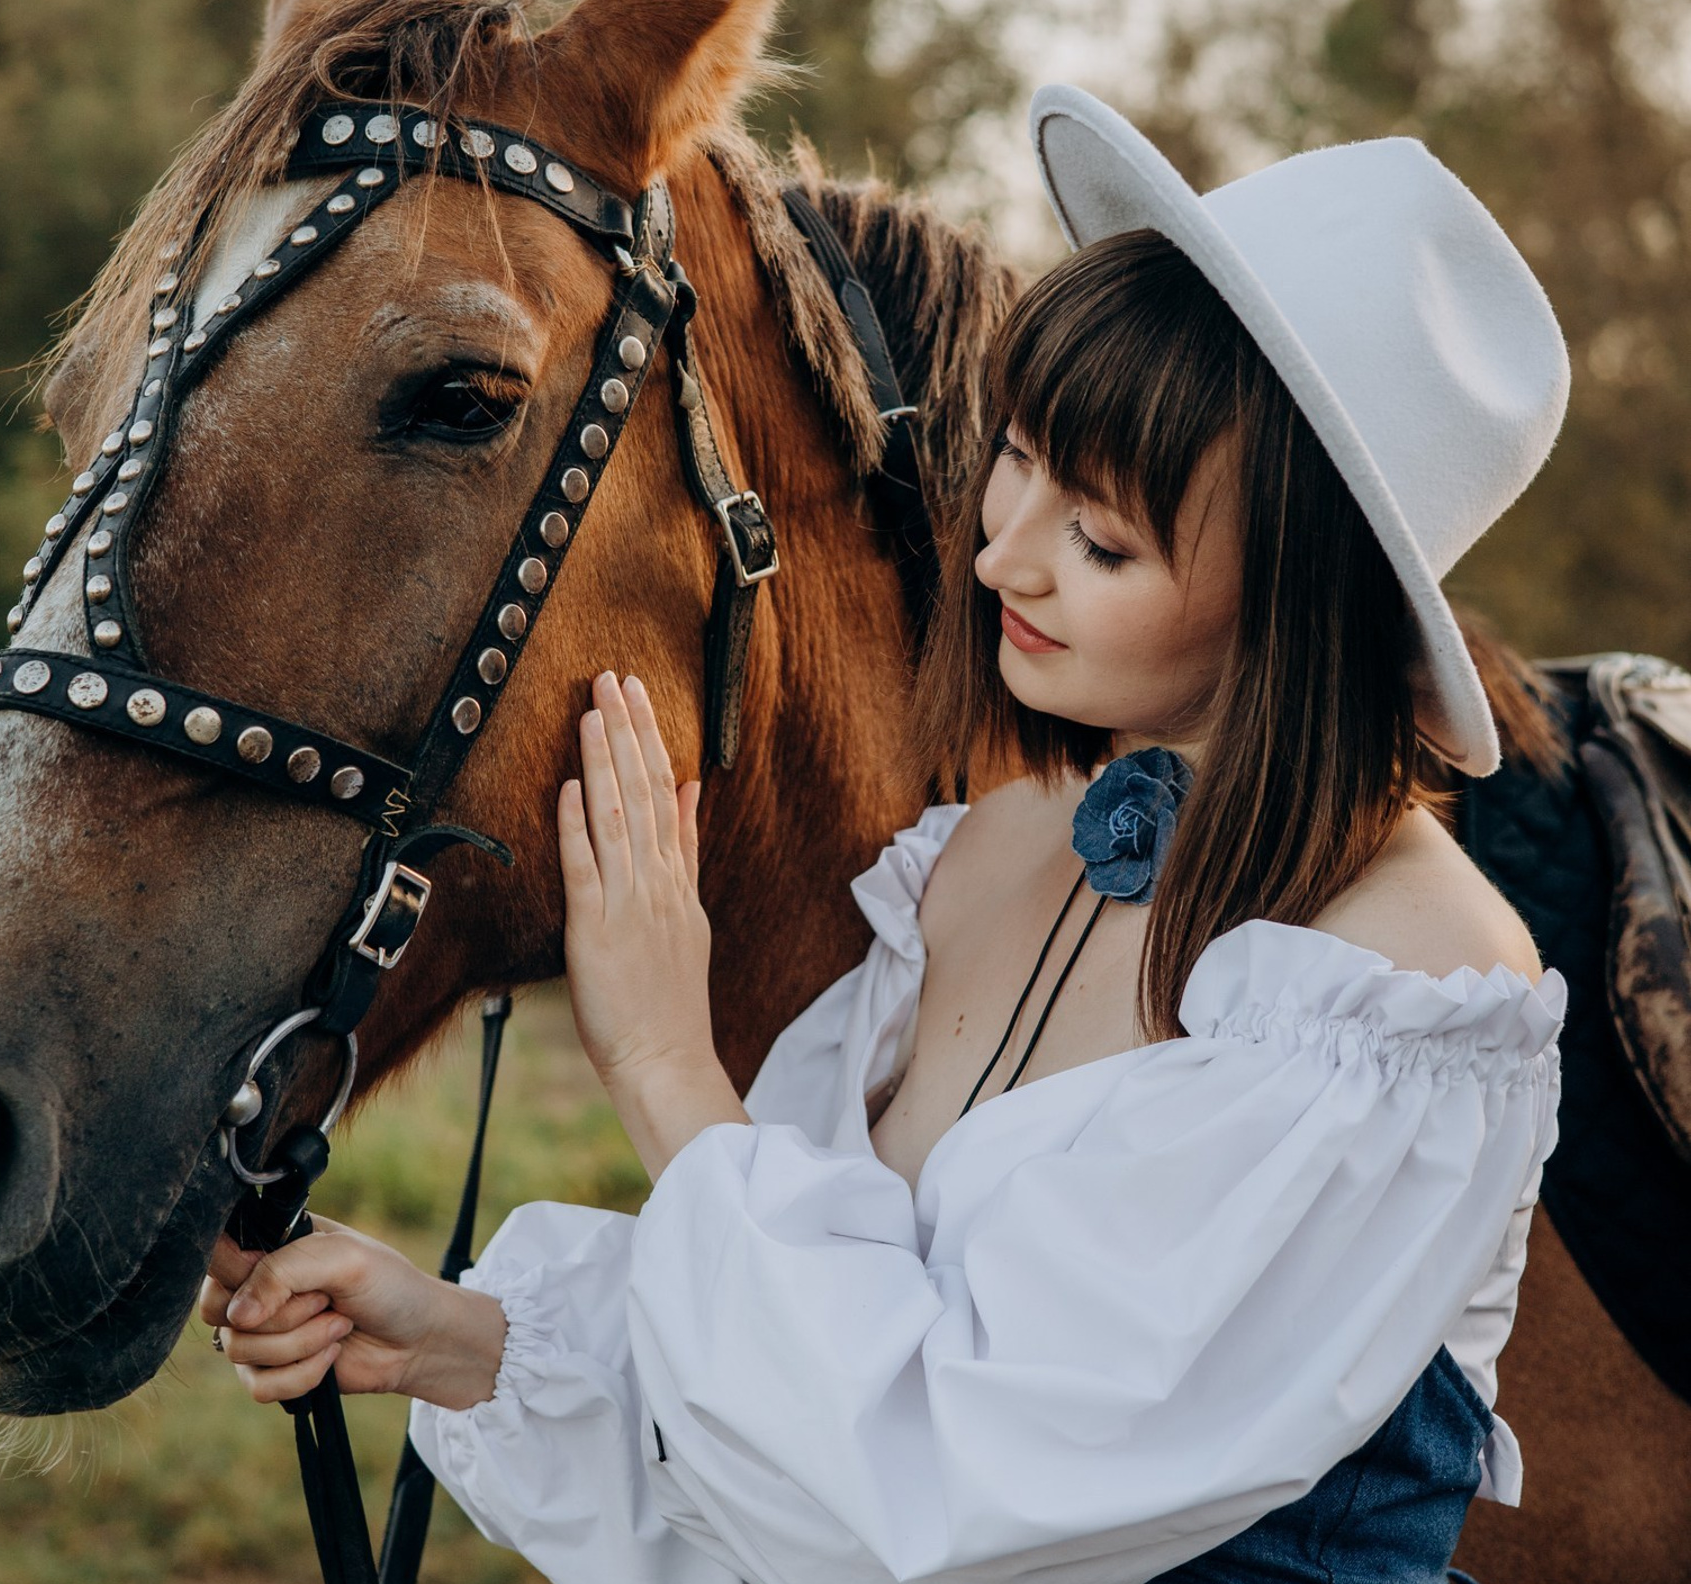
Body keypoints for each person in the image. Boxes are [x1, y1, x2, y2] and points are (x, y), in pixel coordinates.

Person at [200, 85, 1571, 1583]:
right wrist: (469, 1343)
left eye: (1100, 539)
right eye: (1019, 460)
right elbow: (823, 1360)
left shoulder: (1402, 1001)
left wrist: (664, 1062)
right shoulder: (992, 844)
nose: (999, 556)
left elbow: (934, 1489)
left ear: (1301, 603)